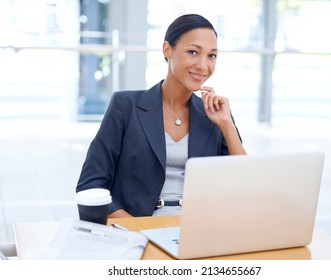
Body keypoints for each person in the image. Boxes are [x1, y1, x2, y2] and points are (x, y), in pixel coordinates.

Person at [76, 14, 246, 219]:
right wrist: (140, 231)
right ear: (167, 49)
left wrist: (226, 125)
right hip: (138, 226)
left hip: (198, 225)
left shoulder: (215, 115)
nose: (203, 65)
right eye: (193, 52)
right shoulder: (126, 106)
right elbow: (90, 184)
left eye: (212, 55)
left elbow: (244, 186)